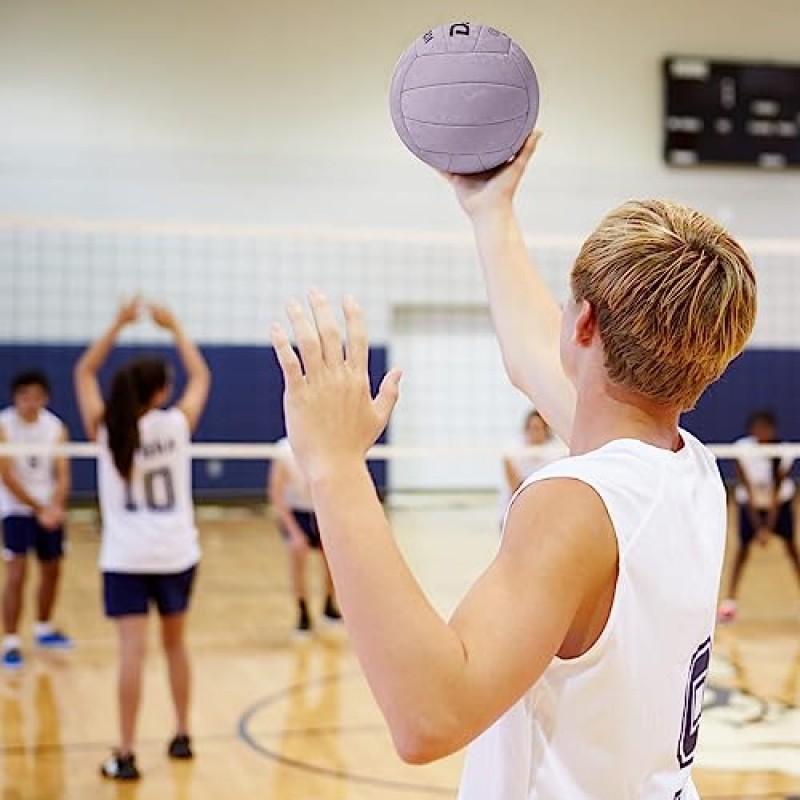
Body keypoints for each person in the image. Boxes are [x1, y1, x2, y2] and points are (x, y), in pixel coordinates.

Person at [270, 131, 757, 800]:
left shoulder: (575, 504)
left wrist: (335, 467)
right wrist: (491, 209)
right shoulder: (689, 470)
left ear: (582, 323)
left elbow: (429, 717)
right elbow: (535, 355)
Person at [74, 298, 210, 781]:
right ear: (158, 391)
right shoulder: (175, 426)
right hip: (175, 553)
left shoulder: (107, 428)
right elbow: (202, 377)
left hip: (127, 558)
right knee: (176, 645)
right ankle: (182, 734)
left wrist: (117, 323)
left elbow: (85, 372)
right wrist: (175, 327)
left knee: (131, 653)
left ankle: (127, 753)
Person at [0, 370, 72, 670]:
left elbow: (63, 475)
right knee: (17, 572)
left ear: (45, 398)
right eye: (24, 396)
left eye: (36, 396)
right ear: (15, 397)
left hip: (48, 508)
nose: (30, 402)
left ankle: (43, 628)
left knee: (53, 569)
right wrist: (37, 507)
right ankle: (11, 640)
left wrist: (53, 506)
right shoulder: (4, 425)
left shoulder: (55, 427)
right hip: (16, 509)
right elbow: (6, 475)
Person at [718, 410, 800, 623]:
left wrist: (768, 525)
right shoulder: (742, 449)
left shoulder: (782, 451)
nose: (762, 432)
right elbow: (744, 484)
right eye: (758, 429)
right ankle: (729, 604)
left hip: (779, 506)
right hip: (751, 506)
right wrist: (758, 525)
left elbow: (776, 492)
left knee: (792, 550)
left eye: (767, 429)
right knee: (741, 552)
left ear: (773, 430)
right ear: (753, 430)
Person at [268, 436, 342, 636]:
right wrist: (294, 532)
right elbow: (276, 496)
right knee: (297, 551)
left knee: (332, 557)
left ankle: (329, 604)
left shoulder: (330, 446)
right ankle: (302, 612)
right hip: (295, 512)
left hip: (322, 510)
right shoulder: (285, 450)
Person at [499, 409, 567, 525]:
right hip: (516, 512)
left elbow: (556, 490)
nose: (534, 433)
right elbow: (515, 488)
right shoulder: (513, 450)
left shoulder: (557, 451)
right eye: (531, 428)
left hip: (545, 513)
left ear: (546, 430)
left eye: (537, 428)